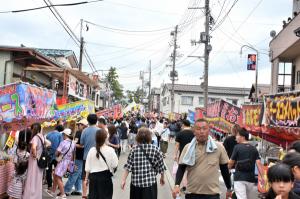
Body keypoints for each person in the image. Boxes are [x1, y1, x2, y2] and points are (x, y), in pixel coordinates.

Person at [172, 119, 232, 199]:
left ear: (209, 130)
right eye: (198, 129)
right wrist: (177, 185)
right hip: (192, 193)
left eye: (204, 128)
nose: (202, 131)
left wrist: (229, 188)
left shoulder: (218, 147)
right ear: (194, 131)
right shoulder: (188, 148)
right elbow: (181, 168)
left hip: (212, 194)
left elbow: (224, 169)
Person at [121, 127, 166, 199]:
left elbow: (128, 167)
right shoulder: (155, 149)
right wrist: (162, 177)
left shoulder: (134, 150)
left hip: (136, 184)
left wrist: (123, 180)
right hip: (150, 184)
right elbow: (161, 166)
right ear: (149, 137)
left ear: (138, 137)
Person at [228, 128, 263, 199]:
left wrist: (226, 170)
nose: (236, 137)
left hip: (239, 178)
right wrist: (262, 177)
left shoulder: (237, 147)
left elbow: (231, 162)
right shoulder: (254, 148)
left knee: (241, 197)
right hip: (250, 179)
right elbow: (259, 163)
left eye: (237, 135)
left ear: (243, 137)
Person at [85, 129, 118, 199]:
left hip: (93, 178)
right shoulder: (110, 150)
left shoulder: (92, 150)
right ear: (106, 138)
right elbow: (115, 164)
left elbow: (87, 167)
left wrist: (86, 179)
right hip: (105, 178)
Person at [64, 119, 88, 196]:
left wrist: (72, 143)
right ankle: (78, 189)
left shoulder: (79, 132)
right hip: (84, 156)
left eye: (79, 125)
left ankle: (66, 190)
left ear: (83, 125)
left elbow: (79, 144)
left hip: (78, 156)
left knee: (74, 173)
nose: (77, 126)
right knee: (79, 173)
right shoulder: (87, 133)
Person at [50, 128, 76, 198]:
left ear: (65, 135)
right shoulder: (73, 143)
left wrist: (56, 154)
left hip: (62, 161)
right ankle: (53, 191)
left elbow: (57, 152)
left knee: (58, 177)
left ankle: (62, 193)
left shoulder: (63, 142)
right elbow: (73, 154)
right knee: (56, 175)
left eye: (63, 135)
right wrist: (71, 163)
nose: (62, 136)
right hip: (68, 162)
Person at [23, 123, 46, 199]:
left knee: (32, 178)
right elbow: (48, 144)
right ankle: (36, 196)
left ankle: (30, 196)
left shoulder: (35, 137)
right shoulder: (41, 136)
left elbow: (33, 147)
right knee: (38, 179)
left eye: (31, 128)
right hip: (40, 161)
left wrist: (34, 155)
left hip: (35, 161)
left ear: (33, 129)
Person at [80, 114, 100, 199]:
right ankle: (92, 194)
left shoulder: (84, 131)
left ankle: (84, 194)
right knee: (95, 176)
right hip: (97, 156)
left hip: (86, 157)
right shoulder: (99, 131)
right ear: (96, 121)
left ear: (88, 121)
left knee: (85, 177)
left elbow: (81, 143)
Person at [7, 129, 31, 199]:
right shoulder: (27, 154)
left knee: (11, 195)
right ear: (26, 147)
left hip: (18, 166)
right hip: (23, 169)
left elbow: (15, 161)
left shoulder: (17, 151)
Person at [45, 124, 64, 192]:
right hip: (57, 156)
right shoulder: (60, 135)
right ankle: (59, 185)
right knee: (58, 171)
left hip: (48, 155)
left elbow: (45, 144)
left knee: (48, 171)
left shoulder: (48, 134)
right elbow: (61, 145)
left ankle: (49, 186)